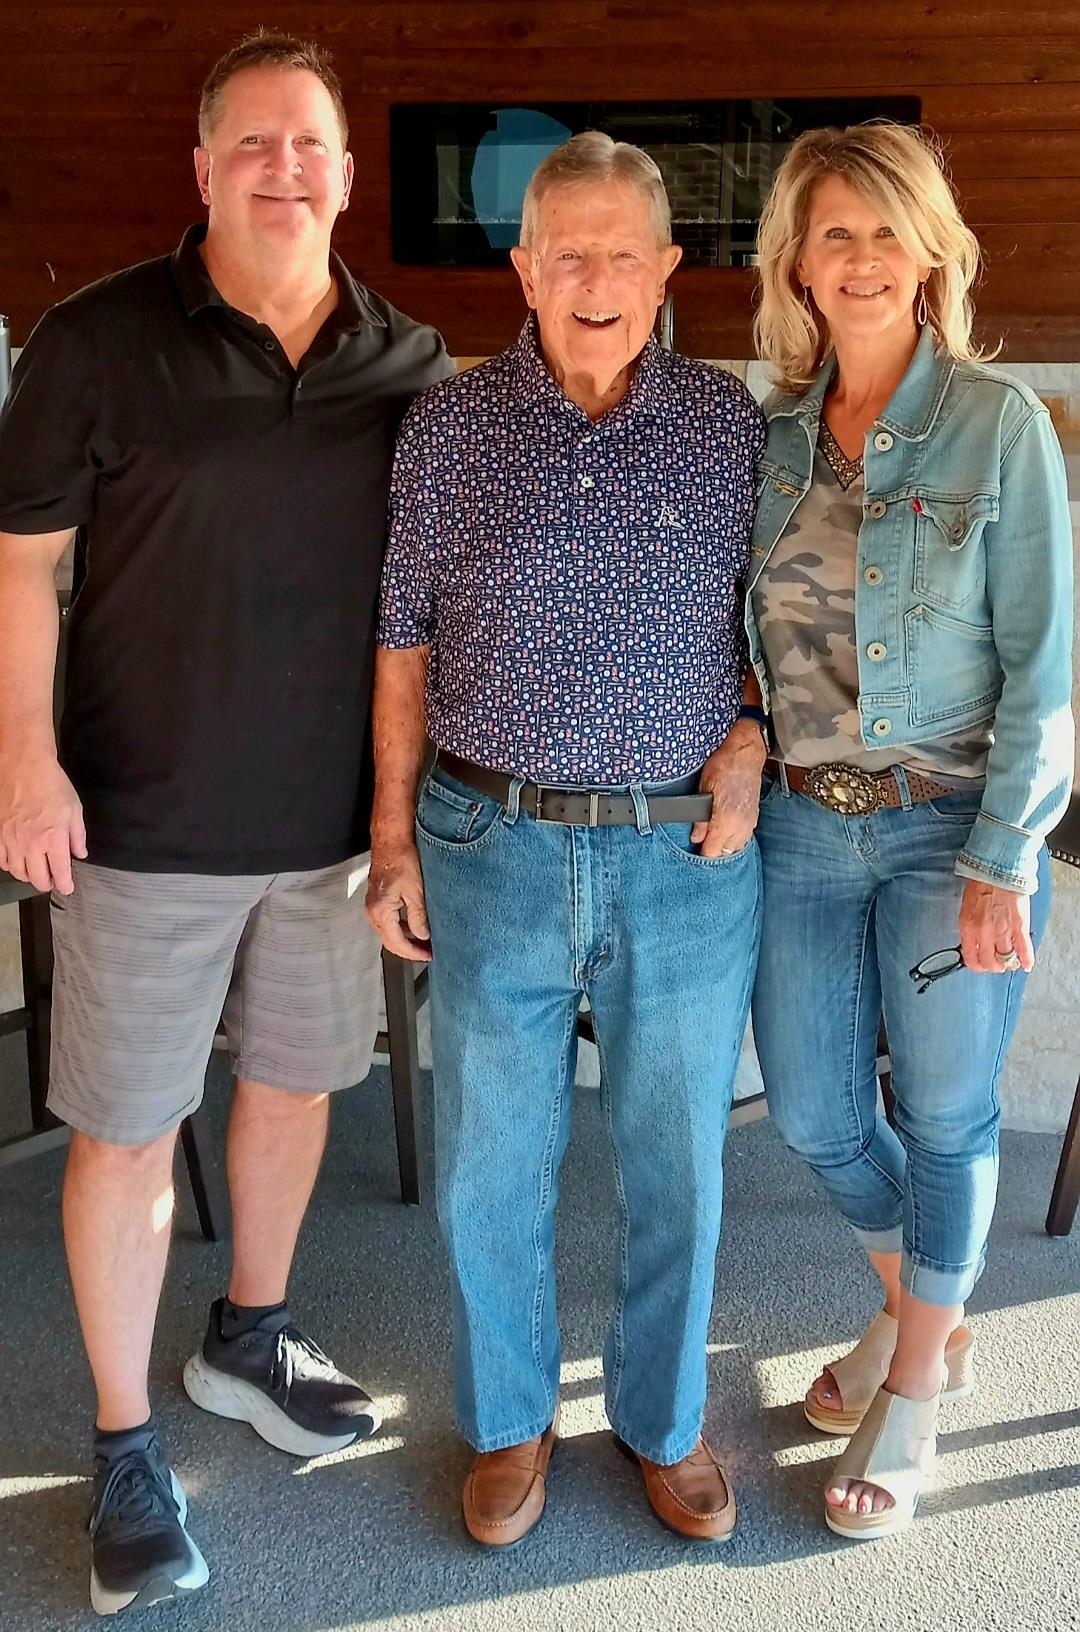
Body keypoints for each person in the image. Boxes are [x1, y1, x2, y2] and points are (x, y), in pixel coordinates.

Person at [0, 31, 450, 1614]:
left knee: (294, 1089)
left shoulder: (409, 359)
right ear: (200, 168)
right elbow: (18, 567)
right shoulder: (96, 339)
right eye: (248, 141)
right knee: (124, 1131)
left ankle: (249, 1335)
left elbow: (425, 602)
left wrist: (408, 817)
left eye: (307, 142)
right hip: (138, 823)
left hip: (329, 834)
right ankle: (125, 1441)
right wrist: (23, 761)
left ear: (344, 169)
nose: (281, 166)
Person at [367, 131, 767, 1548]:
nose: (595, 279)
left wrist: (752, 739)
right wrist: (393, 838)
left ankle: (661, 1423)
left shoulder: (733, 427)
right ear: (525, 268)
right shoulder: (449, 430)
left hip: (681, 858)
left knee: (678, 1159)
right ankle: (508, 1421)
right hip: (493, 843)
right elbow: (402, 644)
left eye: (623, 251)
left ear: (667, 267)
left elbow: (777, 631)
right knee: (493, 1157)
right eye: (566, 252)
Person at [746, 121, 1073, 1539]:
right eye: (835, 234)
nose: (862, 259)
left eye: (887, 231)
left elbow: (1046, 664)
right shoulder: (765, 440)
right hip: (802, 832)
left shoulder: (1000, 425)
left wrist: (1006, 855)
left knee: (943, 1118)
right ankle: (913, 1314)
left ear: (932, 249)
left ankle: (921, 1385)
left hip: (955, 832)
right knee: (815, 1111)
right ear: (797, 267)